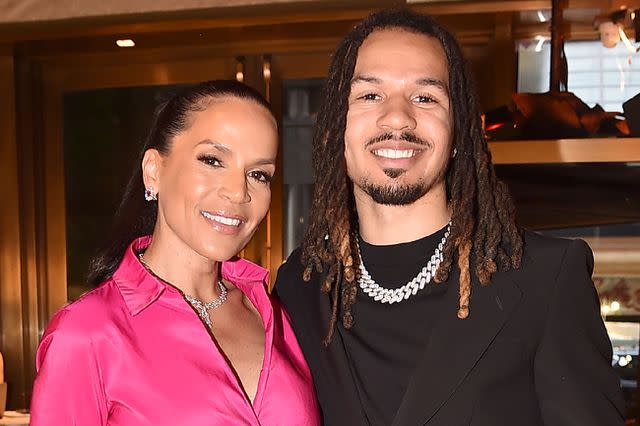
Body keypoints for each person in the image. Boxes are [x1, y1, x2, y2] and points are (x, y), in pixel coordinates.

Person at [275, 8, 625, 426]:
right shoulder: (299, 286)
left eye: (425, 97)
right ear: (335, 129)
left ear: (458, 131)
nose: (398, 118)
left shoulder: (546, 278)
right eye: (370, 95)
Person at [30, 80, 320, 426]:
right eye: (213, 160)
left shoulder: (275, 314)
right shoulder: (86, 333)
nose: (237, 192)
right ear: (154, 170)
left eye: (258, 174)